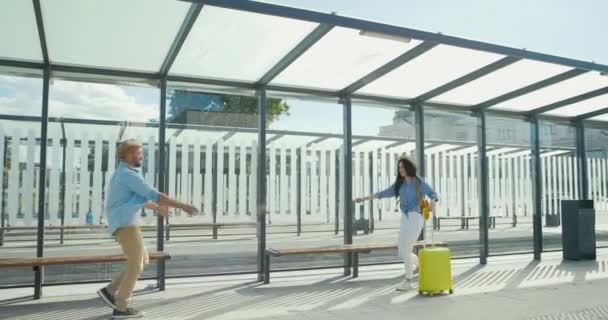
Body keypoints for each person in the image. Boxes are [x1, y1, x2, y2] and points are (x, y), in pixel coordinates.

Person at [97, 139, 199, 319]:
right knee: (136, 263)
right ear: (127, 154)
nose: (140, 156)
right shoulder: (127, 174)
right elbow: (154, 195)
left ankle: (110, 290)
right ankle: (121, 307)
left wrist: (157, 208)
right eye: (137, 152)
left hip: (126, 223)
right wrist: (183, 205)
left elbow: (139, 199)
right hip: (125, 224)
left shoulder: (125, 173)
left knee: (141, 260)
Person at [354, 155, 438, 291]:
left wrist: (433, 202)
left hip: (416, 217)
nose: (401, 170)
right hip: (405, 218)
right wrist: (364, 198)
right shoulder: (399, 185)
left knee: (406, 250)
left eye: (403, 167)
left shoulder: (418, 182)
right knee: (402, 251)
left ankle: (408, 280)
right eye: (399, 168)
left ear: (409, 167)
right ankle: (422, 264)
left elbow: (433, 194)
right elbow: (383, 193)